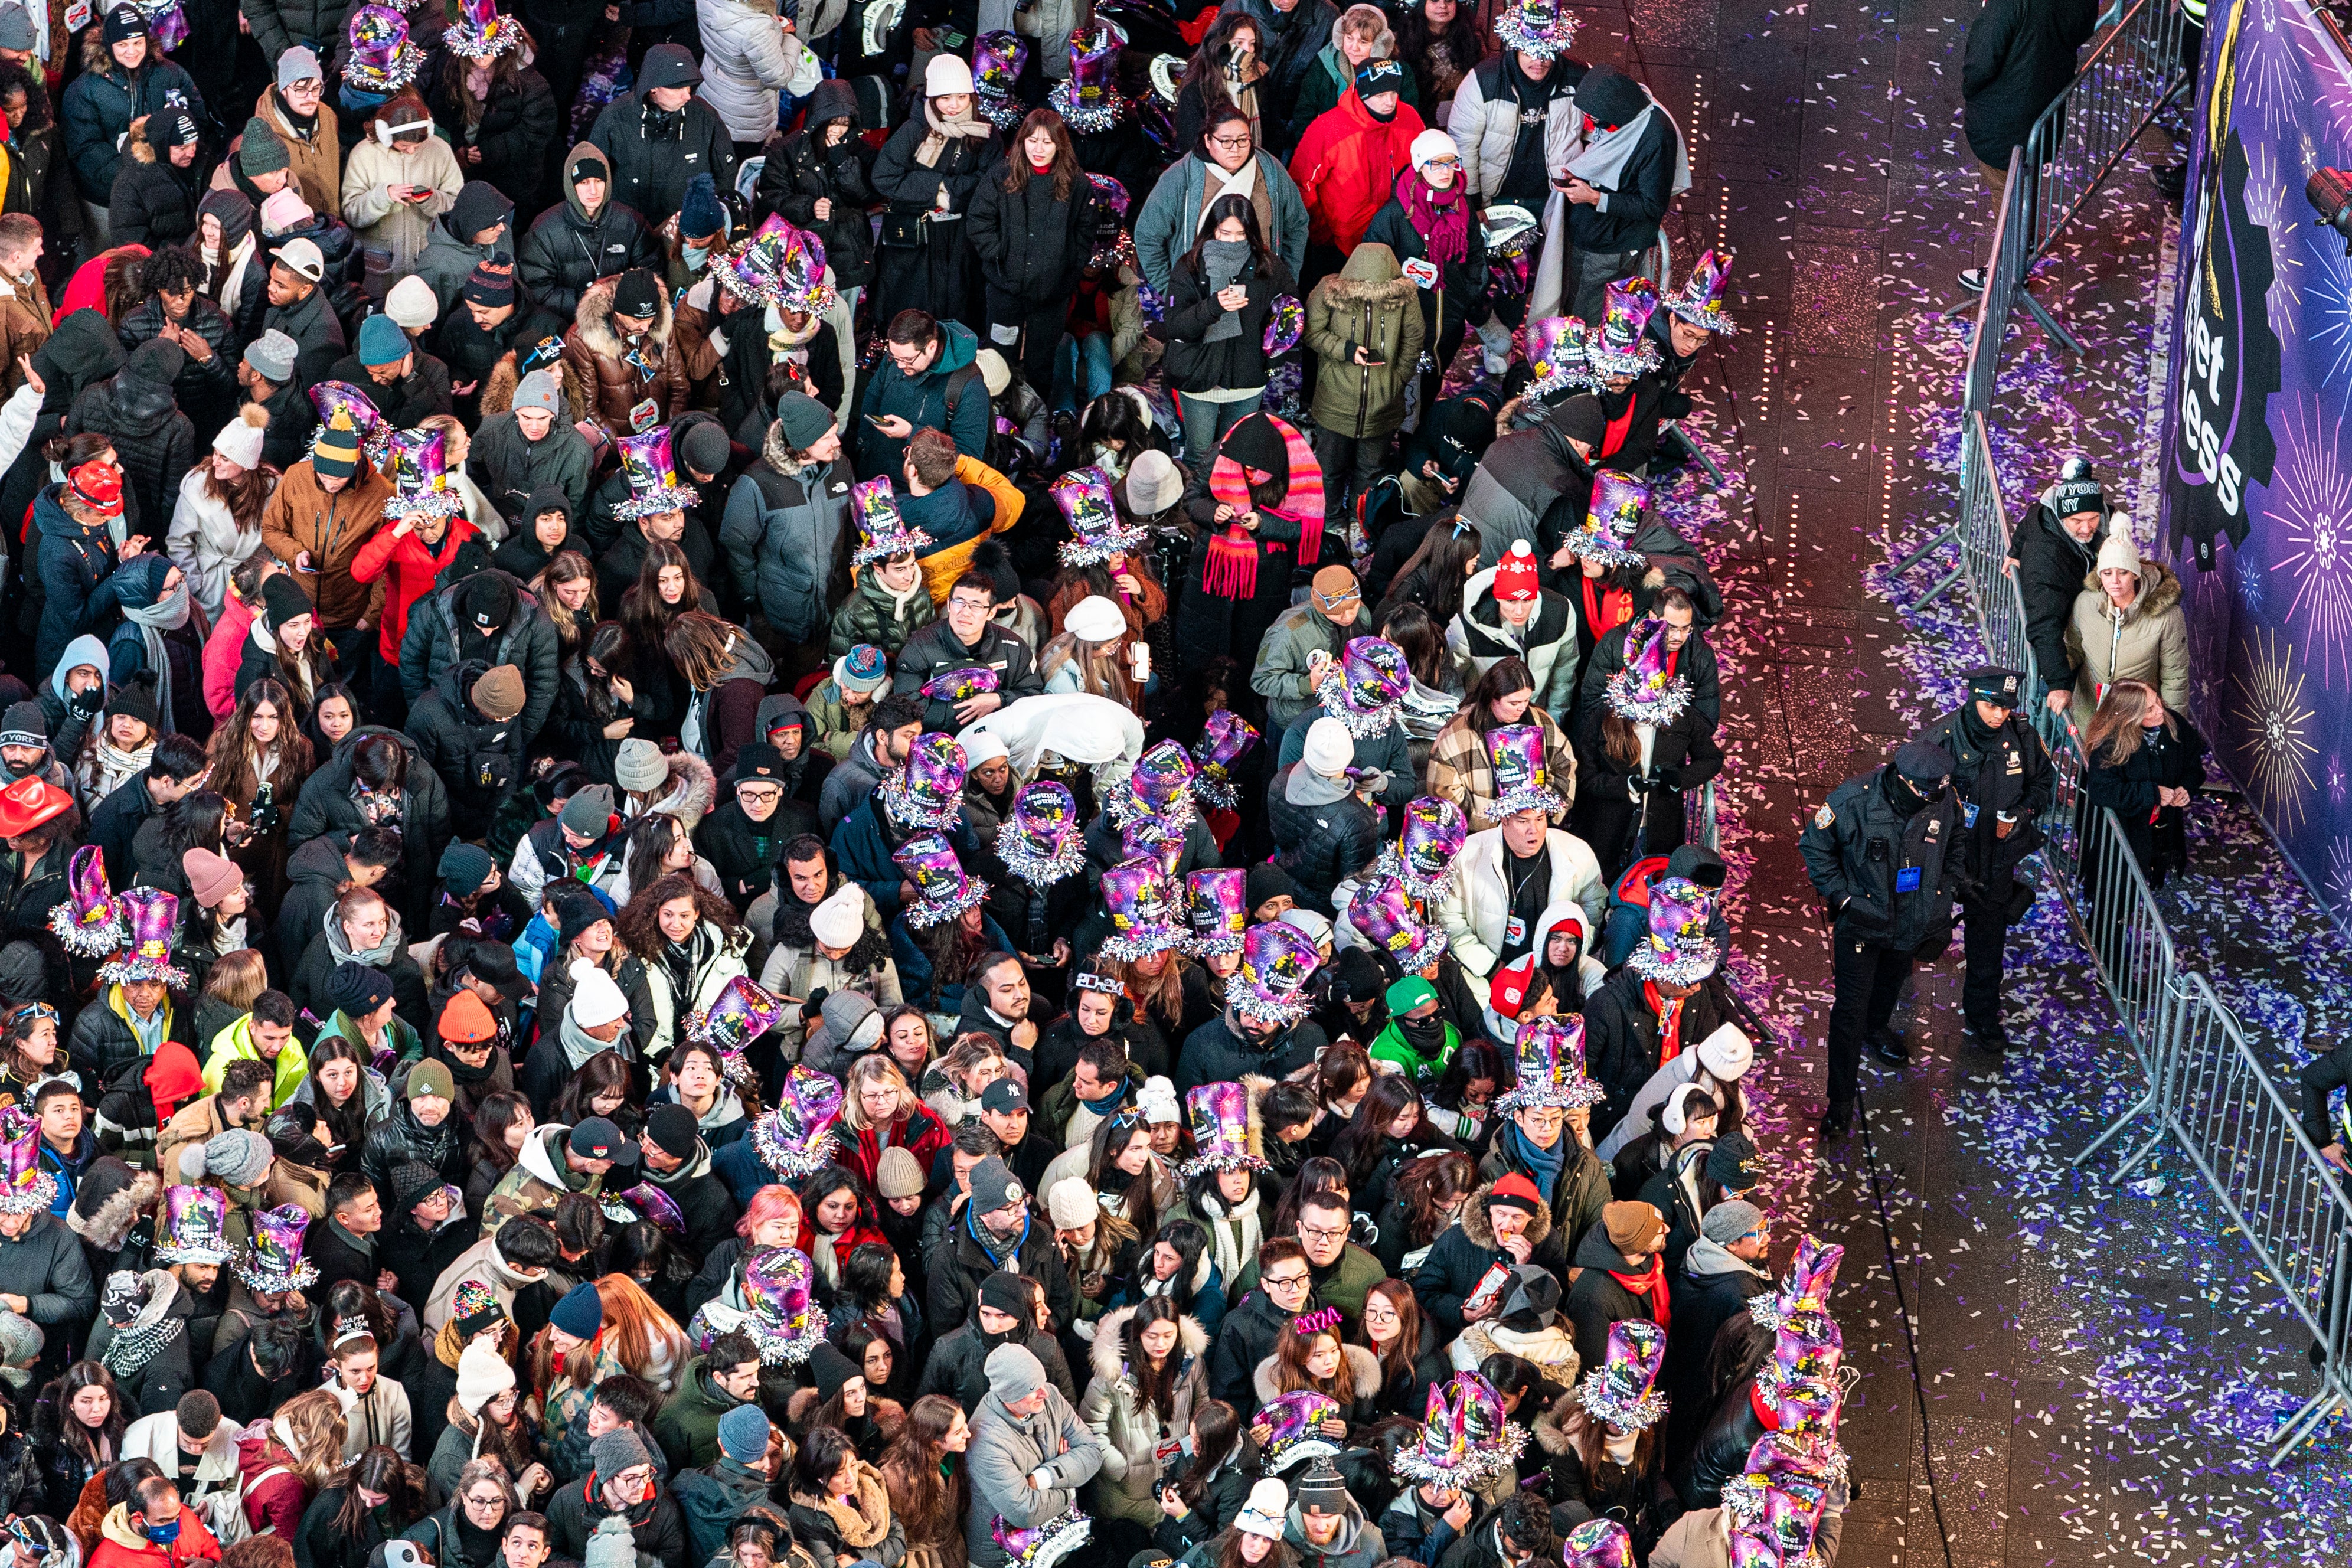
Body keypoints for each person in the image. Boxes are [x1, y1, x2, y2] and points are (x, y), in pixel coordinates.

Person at [1798, 741, 1963, 1138]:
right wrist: (1843, 896)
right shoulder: (1852, 799)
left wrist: (1947, 887)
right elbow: (1815, 847)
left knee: (1891, 983)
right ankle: (1839, 1103)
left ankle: (1878, 1027)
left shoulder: (1942, 798)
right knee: (1849, 1012)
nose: (1933, 801)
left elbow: (1956, 840)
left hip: (1911, 919)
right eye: (1926, 793)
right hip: (1863, 924)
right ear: (1904, 781)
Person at [1909, 667, 2053, 1054]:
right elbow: (1908, 796)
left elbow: (2043, 784)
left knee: (1988, 945)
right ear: (1972, 698)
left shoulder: (2021, 737)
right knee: (1912, 930)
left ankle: (1983, 1017)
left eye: (2005, 708)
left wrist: (2022, 814)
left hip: (1995, 861)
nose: (1998, 715)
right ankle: (1890, 999)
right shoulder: (1940, 739)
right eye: (1991, 705)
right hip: (1940, 858)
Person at [868, 57, 1000, 337]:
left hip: (961, 237)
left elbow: (992, 182)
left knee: (960, 303)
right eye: (945, 98)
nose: (954, 105)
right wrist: (936, 189)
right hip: (916, 238)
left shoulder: (986, 133)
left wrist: (950, 190)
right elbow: (884, 177)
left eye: (962, 97)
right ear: (932, 97)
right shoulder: (914, 130)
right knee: (913, 305)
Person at [965, 1341, 1103, 1568]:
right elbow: (1025, 1512)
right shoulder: (985, 1438)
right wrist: (1069, 1487)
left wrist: (1043, 1478)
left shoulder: (1051, 1398)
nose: (1045, 1392)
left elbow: (1092, 1452)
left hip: (1051, 1542)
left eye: (1042, 1381)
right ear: (1009, 1395)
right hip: (1002, 1556)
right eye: (1032, 1388)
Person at [2082, 678, 2207, 894]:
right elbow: (2101, 790)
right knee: (2118, 892)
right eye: (2149, 709)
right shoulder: (2110, 745)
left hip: (2164, 830)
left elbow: (2193, 762)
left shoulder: (2173, 722)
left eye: (2158, 701)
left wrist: (2186, 787)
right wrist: (2152, 793)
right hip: (2127, 836)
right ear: (2128, 715)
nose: (2160, 710)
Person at [2063, 527, 2189, 718]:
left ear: (2136, 574)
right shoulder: (2085, 603)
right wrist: (2055, 681)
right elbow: (2072, 650)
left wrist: (2173, 727)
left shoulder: (2168, 616)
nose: (2114, 581)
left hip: (2136, 719)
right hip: (2089, 716)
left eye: (2123, 573)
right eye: (2107, 573)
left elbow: (2175, 677)